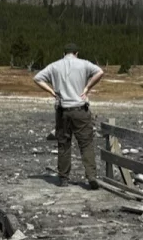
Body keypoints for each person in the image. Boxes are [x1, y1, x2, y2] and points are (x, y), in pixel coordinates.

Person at [34, 43, 105, 189]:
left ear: (64, 53)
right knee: (86, 144)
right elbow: (100, 72)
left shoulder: (54, 66)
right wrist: (87, 88)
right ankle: (91, 176)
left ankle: (64, 178)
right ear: (76, 53)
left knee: (64, 144)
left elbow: (37, 78)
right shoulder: (84, 64)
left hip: (62, 109)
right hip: (80, 108)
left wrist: (52, 91)